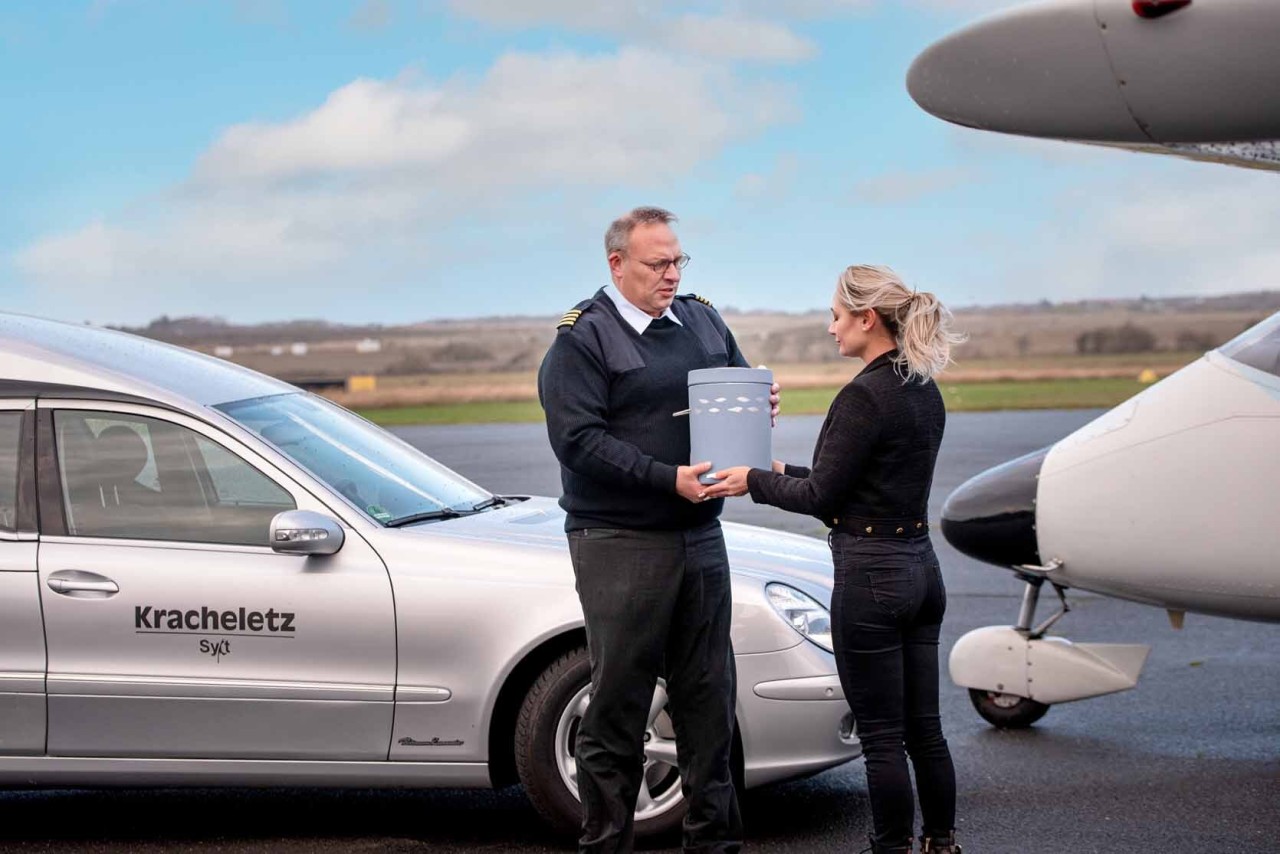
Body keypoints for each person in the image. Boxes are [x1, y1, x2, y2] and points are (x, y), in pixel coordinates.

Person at [701, 264, 964, 854]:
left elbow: (823, 498)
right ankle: (942, 843)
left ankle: (890, 847)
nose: (830, 328)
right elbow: (847, 482)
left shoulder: (863, 395)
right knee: (925, 731)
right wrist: (772, 473)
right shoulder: (921, 388)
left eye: (837, 316)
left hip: (872, 578)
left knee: (881, 739)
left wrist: (753, 482)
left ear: (867, 319)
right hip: (922, 569)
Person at [537, 206, 776, 854]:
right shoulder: (582, 340)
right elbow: (579, 442)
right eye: (658, 264)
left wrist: (756, 405)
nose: (672, 274)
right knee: (617, 709)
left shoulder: (701, 318)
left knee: (709, 705)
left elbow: (734, 382)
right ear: (617, 265)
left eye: (678, 261)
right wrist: (664, 477)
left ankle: (714, 845)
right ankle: (606, 844)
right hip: (621, 543)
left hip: (700, 536)